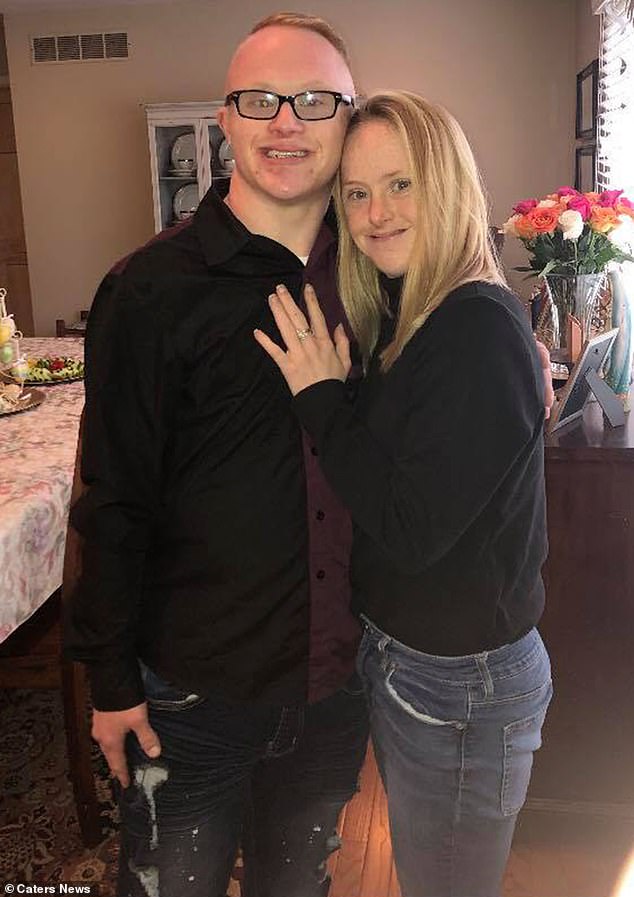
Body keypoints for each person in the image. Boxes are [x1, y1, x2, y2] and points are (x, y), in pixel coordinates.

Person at [64, 13, 370, 897]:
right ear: (226, 119)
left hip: (336, 686)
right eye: (260, 100)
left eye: (314, 101)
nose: (287, 121)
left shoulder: (375, 274)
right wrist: (111, 681)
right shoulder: (149, 289)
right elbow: (113, 497)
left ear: (348, 120)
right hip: (189, 696)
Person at [255, 90, 553, 897]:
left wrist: (321, 399)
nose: (375, 214)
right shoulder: (413, 310)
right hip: (423, 667)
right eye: (356, 193)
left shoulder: (476, 327)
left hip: (460, 682)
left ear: (447, 183)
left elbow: (411, 526)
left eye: (400, 184)